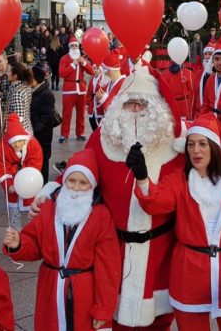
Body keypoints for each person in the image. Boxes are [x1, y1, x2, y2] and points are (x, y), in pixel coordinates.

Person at [30, 66, 187, 329]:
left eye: (142, 104)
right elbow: (78, 173)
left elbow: (170, 200)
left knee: (158, 318)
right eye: (129, 105)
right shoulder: (102, 140)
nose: (136, 112)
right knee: (108, 313)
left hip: (158, 252)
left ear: (157, 108)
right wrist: (50, 193)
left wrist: (144, 180)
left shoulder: (173, 147)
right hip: (112, 248)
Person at [128, 113, 221, 330]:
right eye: (191, 144)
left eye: (203, 144)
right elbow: (156, 202)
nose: (196, 150)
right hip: (189, 273)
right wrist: (142, 177)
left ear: (214, 146)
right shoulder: (180, 179)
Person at [4, 148, 121, 331]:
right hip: (50, 288)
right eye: (71, 181)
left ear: (92, 185)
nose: (75, 188)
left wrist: (103, 310)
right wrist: (19, 243)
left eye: (83, 183)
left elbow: (108, 267)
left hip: (84, 291)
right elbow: (34, 244)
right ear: (64, 181)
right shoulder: (49, 208)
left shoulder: (101, 216)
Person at [0, 113, 43, 216]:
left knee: (30, 204)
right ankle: (15, 226)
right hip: (11, 176)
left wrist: (27, 178)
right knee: (13, 207)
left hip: (29, 180)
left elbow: (36, 163)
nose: (17, 145)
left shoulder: (33, 144)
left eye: (20, 141)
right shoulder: (3, 148)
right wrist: (8, 184)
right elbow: (1, 167)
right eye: (13, 142)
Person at [58, 37, 88, 143]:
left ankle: (80, 133)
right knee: (67, 114)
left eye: (76, 46)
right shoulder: (64, 59)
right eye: (73, 46)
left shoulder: (81, 58)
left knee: (81, 114)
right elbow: (62, 73)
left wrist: (83, 63)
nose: (75, 47)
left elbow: (91, 71)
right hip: (69, 90)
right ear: (69, 47)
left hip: (81, 89)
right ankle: (64, 135)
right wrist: (73, 64)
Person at [30, 65, 56, 181]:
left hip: (42, 136)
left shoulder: (46, 94)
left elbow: (47, 116)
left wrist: (35, 128)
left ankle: (43, 184)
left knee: (43, 162)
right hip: (36, 134)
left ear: (36, 79)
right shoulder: (34, 91)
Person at [6, 62, 33, 133]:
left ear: (15, 76)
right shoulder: (24, 87)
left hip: (20, 134)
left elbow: (19, 118)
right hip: (26, 129)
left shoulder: (17, 93)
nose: (7, 74)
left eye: (9, 71)